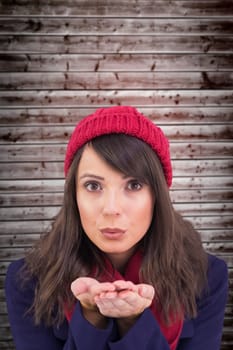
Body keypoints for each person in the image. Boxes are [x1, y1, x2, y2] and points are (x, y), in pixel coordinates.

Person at [5, 106, 228, 350]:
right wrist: (91, 319)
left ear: (157, 196)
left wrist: (134, 322)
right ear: (74, 196)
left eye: (133, 185)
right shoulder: (26, 280)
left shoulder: (207, 276)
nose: (111, 208)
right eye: (93, 186)